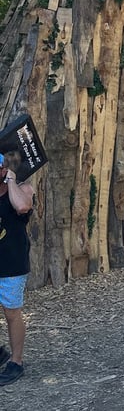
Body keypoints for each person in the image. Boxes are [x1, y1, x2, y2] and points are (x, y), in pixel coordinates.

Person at [0, 156, 35, 385]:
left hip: (12, 264)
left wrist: (11, 180)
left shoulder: (23, 189)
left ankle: (16, 361)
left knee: (12, 313)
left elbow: (22, 207)